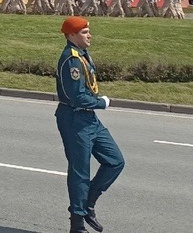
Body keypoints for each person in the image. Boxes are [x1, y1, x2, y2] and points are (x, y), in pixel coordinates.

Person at [55, 17, 124, 233]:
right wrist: (101, 102)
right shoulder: (71, 59)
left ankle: (87, 204)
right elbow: (76, 97)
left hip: (89, 118)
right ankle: (77, 224)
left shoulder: (82, 54)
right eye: (85, 32)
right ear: (72, 35)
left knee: (115, 161)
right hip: (74, 118)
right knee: (80, 172)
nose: (89, 35)